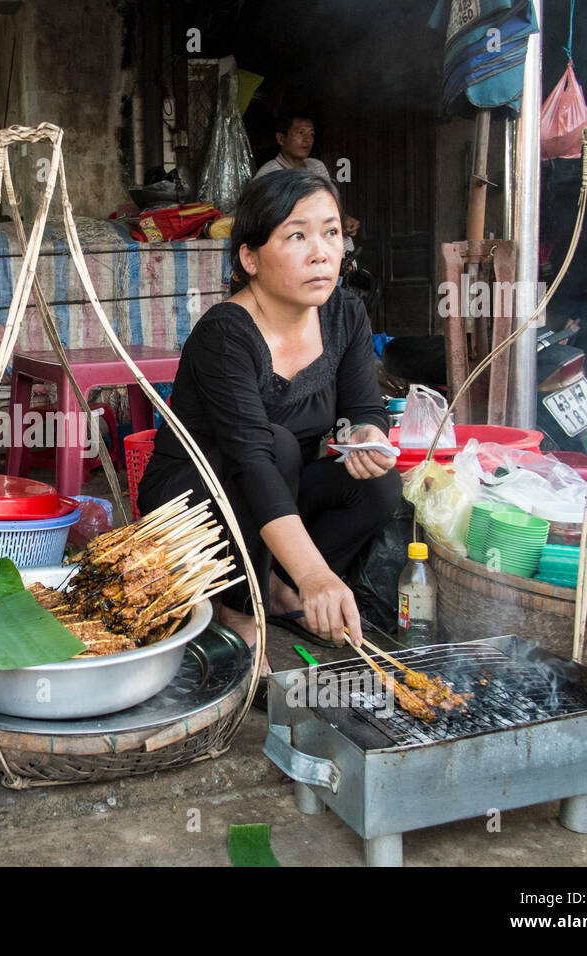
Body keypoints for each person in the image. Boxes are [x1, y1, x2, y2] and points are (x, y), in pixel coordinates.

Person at [137, 169, 400, 659]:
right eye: (297, 235)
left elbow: (363, 407)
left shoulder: (345, 314)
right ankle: (223, 603)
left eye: (331, 232)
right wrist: (317, 573)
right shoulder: (226, 334)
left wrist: (367, 434)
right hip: (196, 503)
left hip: (282, 489)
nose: (321, 252)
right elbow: (252, 460)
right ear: (251, 258)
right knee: (277, 446)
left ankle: (277, 588)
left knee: (376, 483)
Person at [255, 113, 360, 245]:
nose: (307, 140)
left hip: (318, 233)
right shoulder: (270, 172)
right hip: (289, 240)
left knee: (346, 243)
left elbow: (328, 204)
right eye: (301, 132)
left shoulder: (317, 166)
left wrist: (343, 219)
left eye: (311, 134)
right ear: (281, 138)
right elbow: (263, 220)